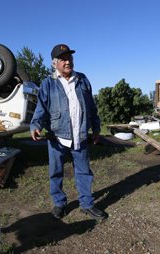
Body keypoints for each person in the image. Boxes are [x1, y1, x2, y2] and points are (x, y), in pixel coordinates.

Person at [30, 44, 106, 220]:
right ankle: (59, 203)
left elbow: (91, 107)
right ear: (54, 63)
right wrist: (36, 125)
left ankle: (87, 204)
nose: (67, 61)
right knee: (56, 172)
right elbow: (41, 108)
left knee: (84, 171)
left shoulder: (82, 79)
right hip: (57, 137)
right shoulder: (48, 83)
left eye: (69, 58)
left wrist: (96, 128)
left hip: (80, 135)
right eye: (63, 59)